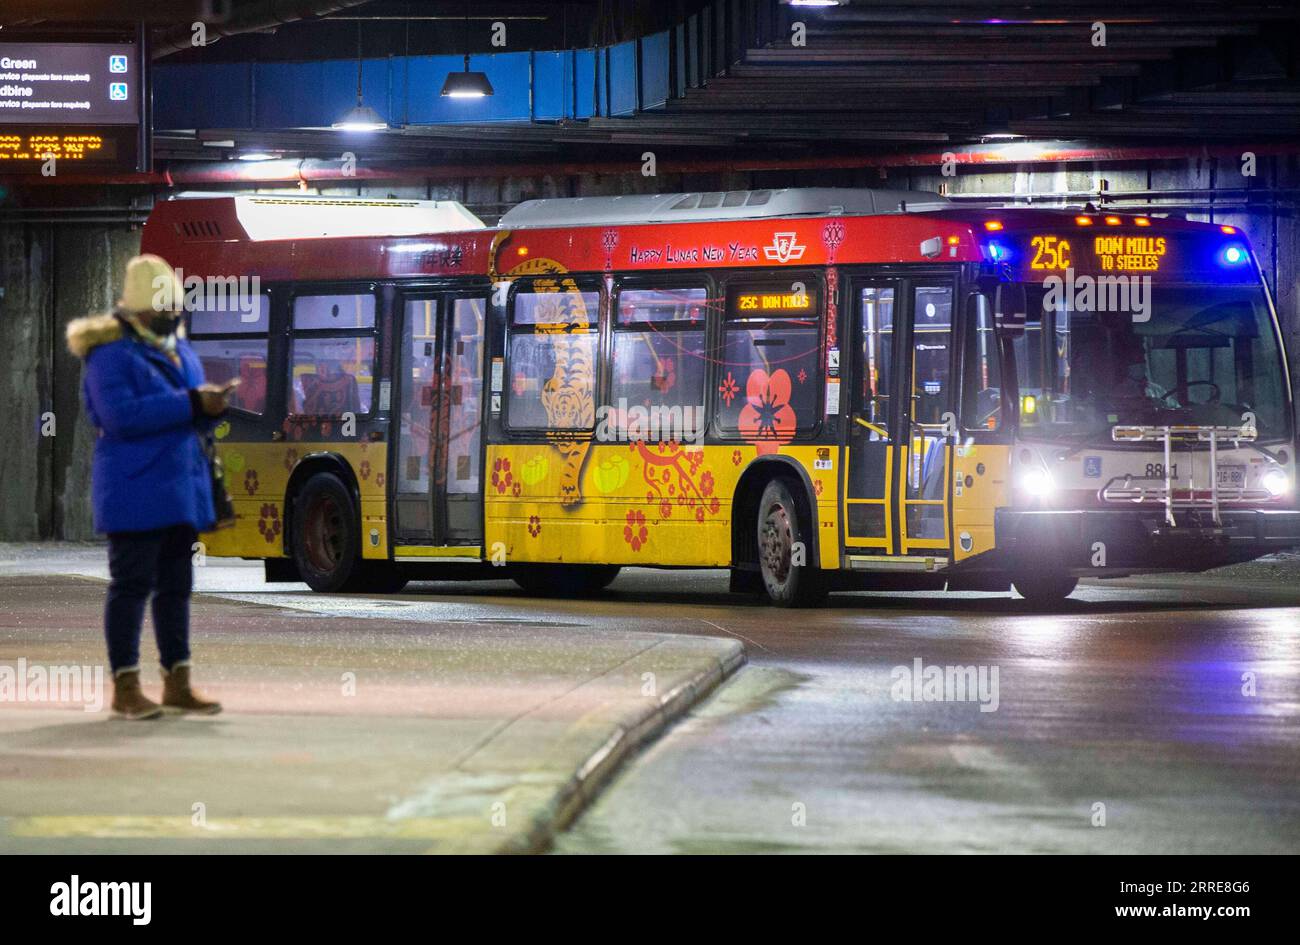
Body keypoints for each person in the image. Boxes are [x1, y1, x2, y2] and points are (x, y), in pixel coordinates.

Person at [66, 254, 231, 720]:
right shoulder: (110, 353)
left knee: (177, 587)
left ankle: (177, 683)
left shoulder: (177, 347)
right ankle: (126, 686)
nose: (171, 315)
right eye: (162, 308)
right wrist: (191, 401)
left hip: (180, 488)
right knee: (131, 586)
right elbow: (121, 418)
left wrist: (210, 406)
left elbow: (184, 410)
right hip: (135, 489)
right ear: (137, 308)